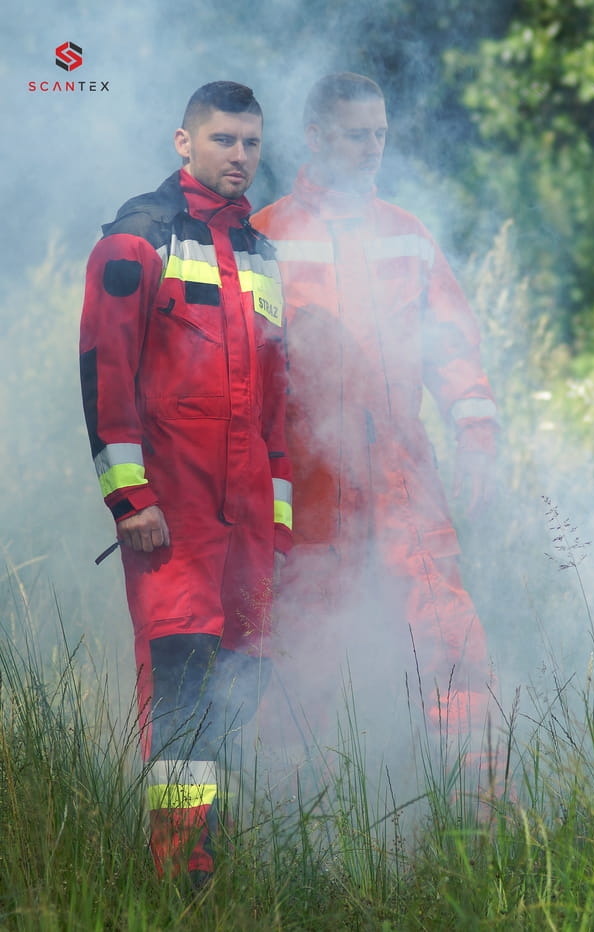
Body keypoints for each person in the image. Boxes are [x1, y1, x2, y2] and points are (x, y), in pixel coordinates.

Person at [251, 73, 498, 775]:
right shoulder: (264, 236)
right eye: (356, 135)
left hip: (400, 471)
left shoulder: (406, 235)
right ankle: (287, 813)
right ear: (315, 136)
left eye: (380, 134)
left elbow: (451, 346)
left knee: (448, 639)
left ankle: (482, 806)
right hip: (304, 478)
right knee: (298, 649)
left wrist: (476, 434)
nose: (372, 148)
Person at [79, 80, 292, 884]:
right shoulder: (138, 238)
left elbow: (275, 403)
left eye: (250, 143)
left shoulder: (262, 253)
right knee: (182, 687)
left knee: (241, 686)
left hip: (248, 523)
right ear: (185, 142)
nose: (239, 156)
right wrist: (129, 497)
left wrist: (277, 521)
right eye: (223, 140)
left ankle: (218, 855)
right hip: (172, 518)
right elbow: (105, 372)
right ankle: (178, 874)